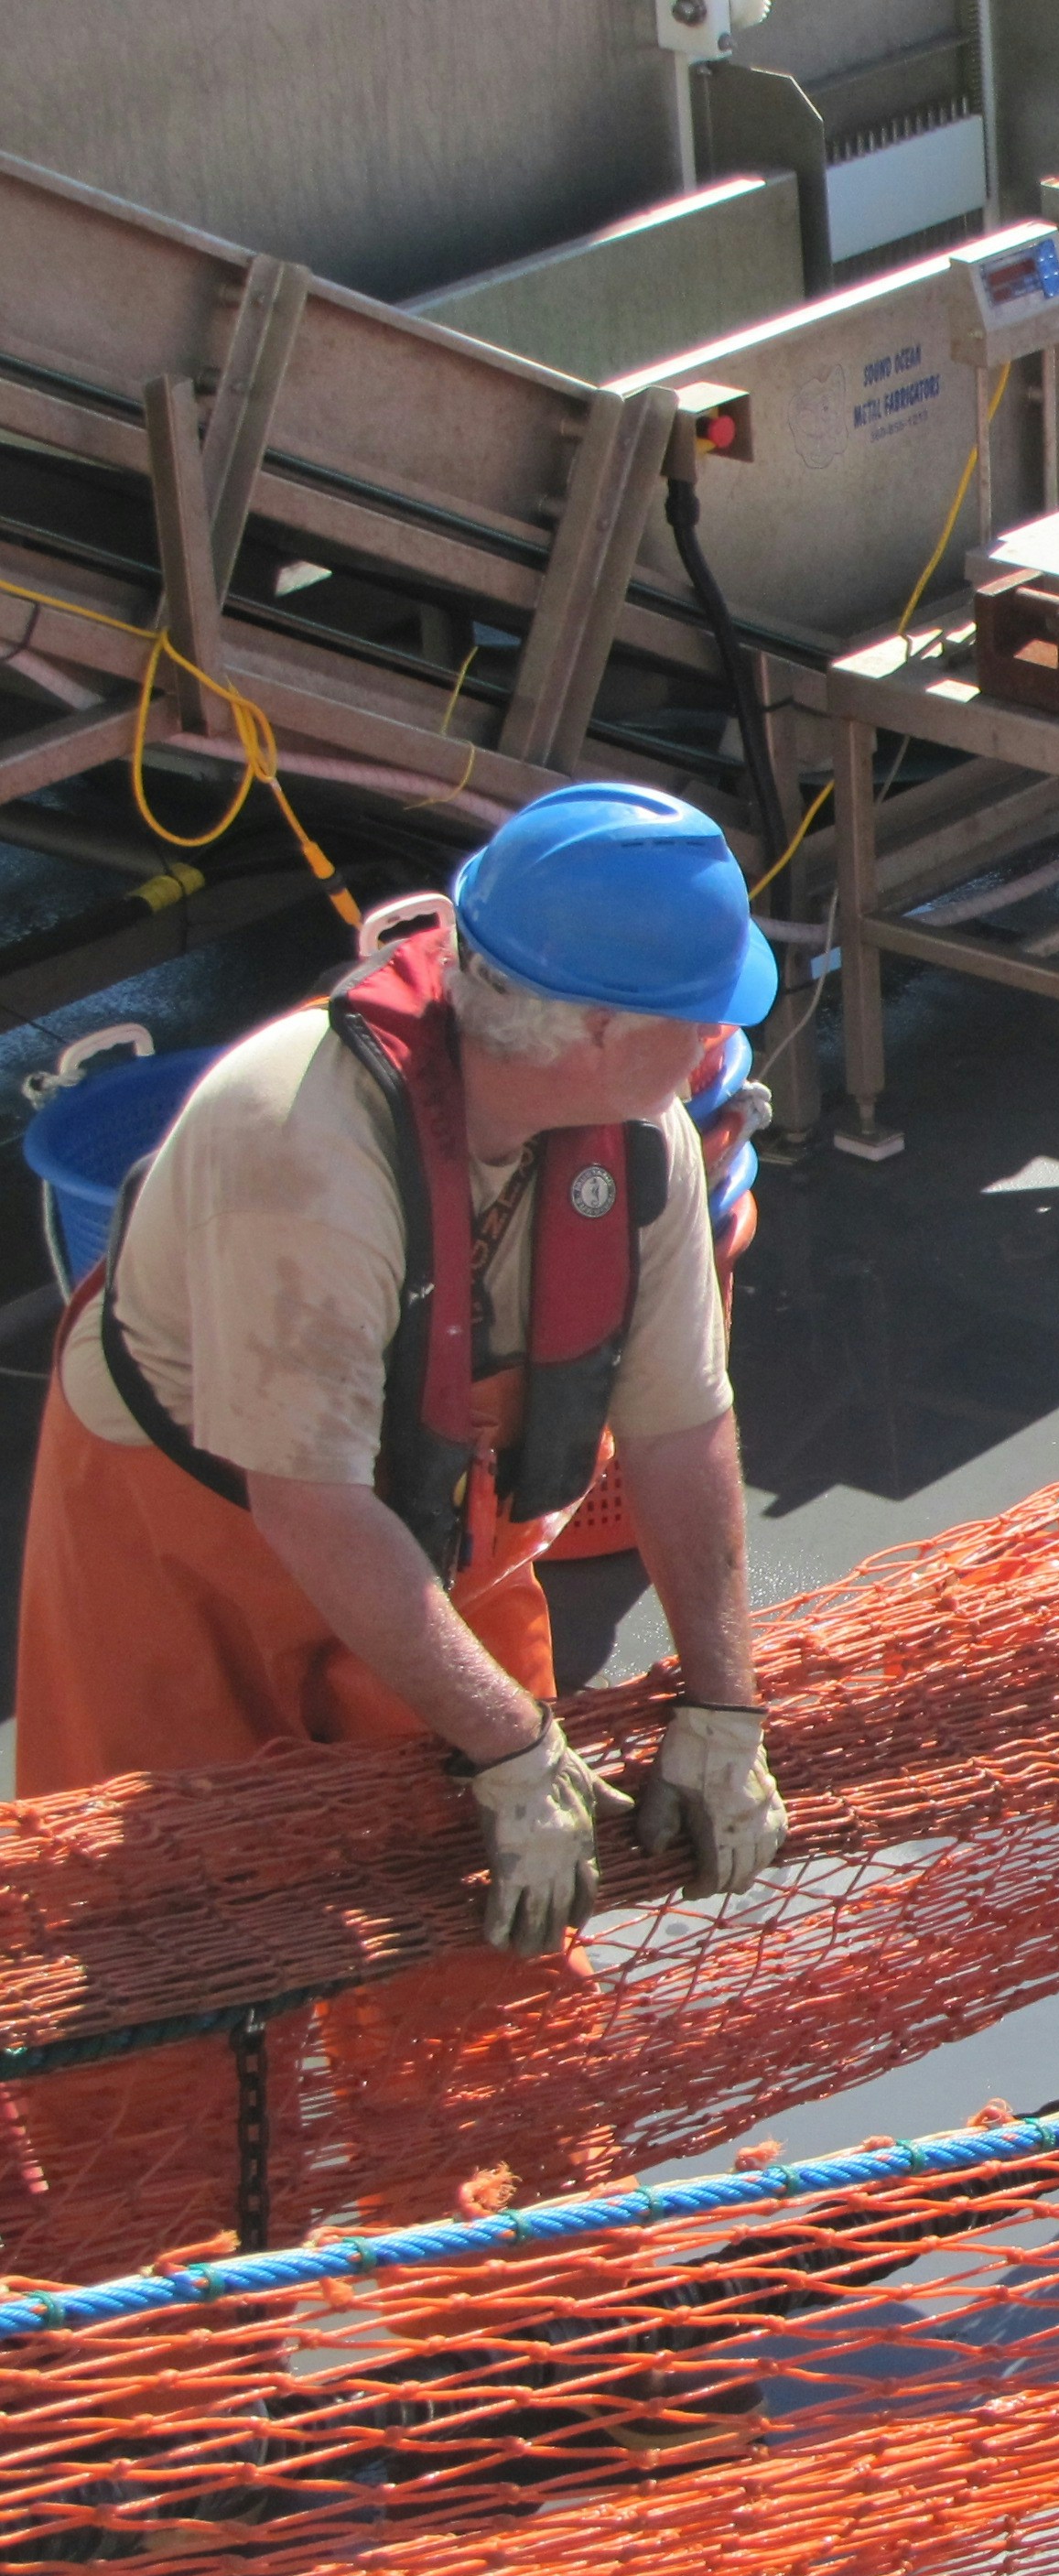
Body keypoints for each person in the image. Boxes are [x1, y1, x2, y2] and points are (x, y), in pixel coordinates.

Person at [17, 782, 791, 1953]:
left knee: (493, 1934)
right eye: (700, 1015)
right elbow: (311, 1503)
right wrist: (512, 1748)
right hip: (192, 1545)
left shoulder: (646, 1137)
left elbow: (680, 1427)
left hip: (437, 1527)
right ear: (596, 1029)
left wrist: (723, 1705)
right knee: (164, 1924)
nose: (717, 1044)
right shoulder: (298, 1148)